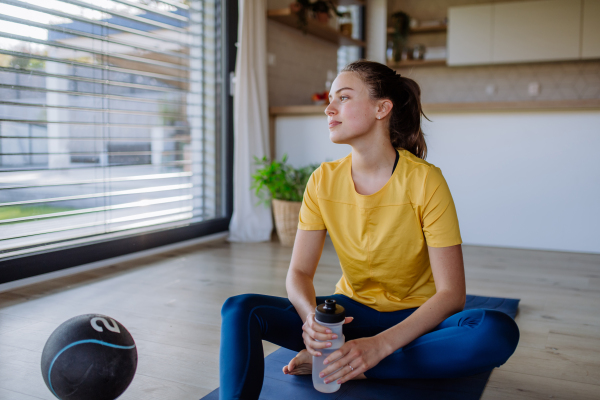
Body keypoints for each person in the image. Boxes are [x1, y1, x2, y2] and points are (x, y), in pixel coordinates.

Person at [219, 60, 519, 400]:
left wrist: (379, 347)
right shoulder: (322, 180)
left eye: (343, 98)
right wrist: (311, 322)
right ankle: (341, 357)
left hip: (417, 323)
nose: (329, 109)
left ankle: (350, 365)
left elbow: (452, 295)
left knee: (496, 331)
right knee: (239, 308)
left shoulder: (425, 180)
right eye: (330, 100)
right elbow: (299, 272)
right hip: (347, 318)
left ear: (382, 108)